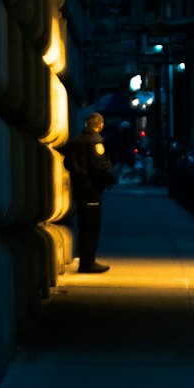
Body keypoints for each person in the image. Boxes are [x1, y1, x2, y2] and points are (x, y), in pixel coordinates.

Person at [63, 112, 115, 273]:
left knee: (83, 224)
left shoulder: (75, 142)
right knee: (92, 226)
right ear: (100, 125)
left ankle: (86, 261)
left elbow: (67, 163)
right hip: (91, 190)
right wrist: (108, 179)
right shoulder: (95, 142)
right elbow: (100, 166)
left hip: (78, 189)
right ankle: (88, 262)